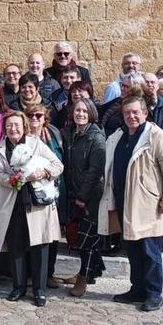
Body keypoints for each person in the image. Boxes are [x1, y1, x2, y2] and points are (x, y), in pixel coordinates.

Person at [0, 111, 63, 307]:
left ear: (24, 126)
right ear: (4, 128)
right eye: (9, 125)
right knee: (16, 246)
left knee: (40, 247)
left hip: (36, 203)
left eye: (16, 125)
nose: (13, 129)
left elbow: (58, 165)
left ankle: (39, 291)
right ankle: (18, 286)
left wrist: (44, 173)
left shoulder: (36, 144)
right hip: (11, 203)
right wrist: (13, 180)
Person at [99, 96, 163, 312]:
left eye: (135, 112)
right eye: (127, 113)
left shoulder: (155, 136)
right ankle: (137, 289)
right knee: (133, 249)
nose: (131, 116)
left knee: (150, 251)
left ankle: (154, 293)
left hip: (148, 203)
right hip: (123, 201)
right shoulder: (118, 136)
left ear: (145, 113)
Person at [62, 98, 106, 297]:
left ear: (91, 114)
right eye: (77, 110)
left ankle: (83, 278)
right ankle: (91, 271)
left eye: (84, 111)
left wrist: (82, 196)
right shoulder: (70, 133)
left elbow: (95, 171)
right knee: (81, 237)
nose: (80, 114)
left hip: (90, 196)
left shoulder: (95, 137)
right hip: (74, 193)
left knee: (86, 240)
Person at [24, 103, 65, 289]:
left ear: (45, 118)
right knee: (30, 234)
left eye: (38, 116)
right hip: (29, 193)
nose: (34, 119)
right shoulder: (21, 137)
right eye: (30, 115)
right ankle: (29, 274)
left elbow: (61, 160)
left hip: (53, 190)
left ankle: (48, 273)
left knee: (51, 233)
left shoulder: (54, 135)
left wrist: (46, 173)